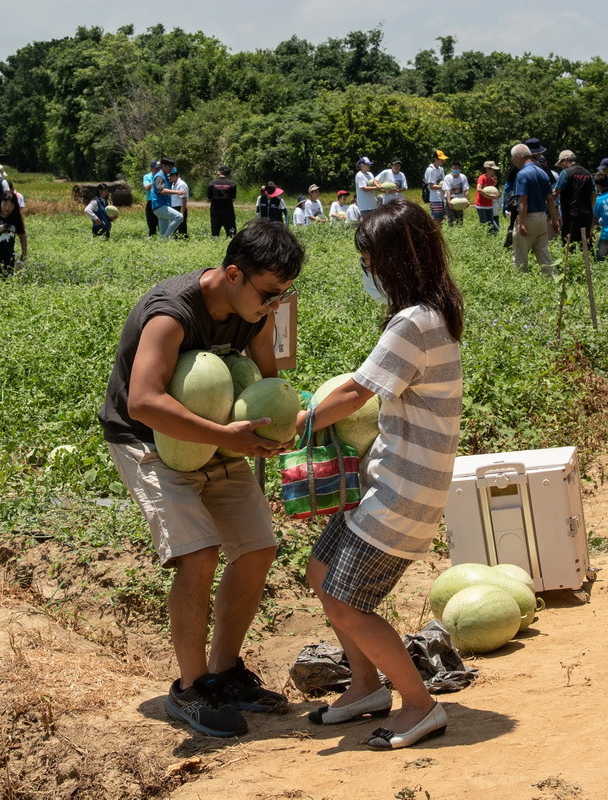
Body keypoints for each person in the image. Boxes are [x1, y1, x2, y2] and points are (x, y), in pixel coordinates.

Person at [99, 221, 303, 738]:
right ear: (233, 274)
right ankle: (191, 690)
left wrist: (279, 428)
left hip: (216, 435)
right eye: (270, 293)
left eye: (285, 294)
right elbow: (143, 400)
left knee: (257, 546)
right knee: (198, 555)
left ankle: (225, 671)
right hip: (147, 440)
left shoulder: (252, 314)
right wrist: (226, 435)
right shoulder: (171, 315)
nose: (275, 305)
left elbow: (270, 383)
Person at [297, 199, 462, 751]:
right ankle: (365, 686)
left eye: (368, 261)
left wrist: (301, 422)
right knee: (323, 573)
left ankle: (420, 704)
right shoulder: (430, 314)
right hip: (391, 481)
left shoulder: (414, 321)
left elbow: (357, 391)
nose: (365, 271)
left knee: (348, 601)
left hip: (403, 490)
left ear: (391, 262)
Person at [509, 143, 560, 274]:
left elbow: (523, 200)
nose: (514, 163)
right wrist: (554, 220)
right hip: (543, 217)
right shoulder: (543, 173)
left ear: (519, 156)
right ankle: (554, 280)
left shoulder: (522, 174)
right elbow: (550, 199)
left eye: (514, 160)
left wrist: (522, 222)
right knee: (543, 253)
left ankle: (519, 286)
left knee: (520, 255)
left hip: (529, 217)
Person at [553, 150, 595, 251]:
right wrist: (590, 209)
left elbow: (555, 193)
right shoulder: (587, 173)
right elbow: (594, 194)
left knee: (568, 244)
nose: (561, 167)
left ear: (566, 160)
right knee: (584, 244)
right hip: (587, 215)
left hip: (571, 216)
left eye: (561, 164)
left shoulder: (566, 173)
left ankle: (568, 265)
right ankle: (587, 265)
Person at [149, 158, 186, 239]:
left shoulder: (165, 176)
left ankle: (162, 241)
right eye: (169, 167)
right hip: (160, 206)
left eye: (172, 167)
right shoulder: (159, 177)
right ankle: (167, 237)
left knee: (163, 232)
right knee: (179, 217)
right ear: (163, 165)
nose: (171, 169)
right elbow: (161, 191)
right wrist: (177, 192)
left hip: (162, 206)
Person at [208, 166, 238, 238]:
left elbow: (208, 199)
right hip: (228, 212)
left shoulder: (211, 184)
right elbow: (233, 199)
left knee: (215, 235)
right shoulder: (232, 184)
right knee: (232, 235)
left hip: (215, 212)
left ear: (219, 172)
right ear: (229, 173)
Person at [475, 161, 500, 235]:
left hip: (489, 205)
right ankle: (482, 237)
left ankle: (490, 237)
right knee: (483, 223)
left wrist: (495, 196)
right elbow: (478, 189)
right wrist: (490, 196)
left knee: (490, 223)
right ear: (487, 169)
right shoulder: (482, 177)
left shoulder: (492, 179)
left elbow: (492, 191)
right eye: (493, 169)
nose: (494, 171)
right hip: (481, 205)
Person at [442, 162, 470, 226]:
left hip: (459, 200)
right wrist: (449, 201)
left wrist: (468, 200)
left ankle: (459, 231)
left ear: (459, 169)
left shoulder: (463, 177)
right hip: (450, 199)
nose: (455, 170)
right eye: (453, 168)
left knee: (460, 220)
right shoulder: (447, 177)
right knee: (450, 220)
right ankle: (451, 232)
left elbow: (465, 190)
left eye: (456, 169)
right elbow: (447, 190)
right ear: (451, 168)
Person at [423, 150, 447, 224]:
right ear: (435, 159)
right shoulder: (430, 170)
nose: (443, 161)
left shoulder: (441, 169)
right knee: (436, 219)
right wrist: (444, 187)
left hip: (442, 197)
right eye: (441, 159)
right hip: (435, 198)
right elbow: (431, 186)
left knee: (442, 218)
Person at [170, 168, 190, 237]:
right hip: (174, 208)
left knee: (182, 229)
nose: (168, 178)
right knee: (175, 229)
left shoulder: (181, 184)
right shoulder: (173, 184)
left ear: (174, 176)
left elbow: (184, 200)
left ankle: (184, 243)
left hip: (180, 208)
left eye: (169, 176)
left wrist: (182, 213)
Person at [144, 161, 161, 237]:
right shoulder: (147, 177)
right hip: (151, 202)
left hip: (160, 202)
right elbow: (147, 188)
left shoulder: (163, 176)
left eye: (159, 168)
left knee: (162, 224)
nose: (158, 170)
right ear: (151, 169)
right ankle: (152, 239)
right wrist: (155, 181)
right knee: (151, 225)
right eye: (156, 169)